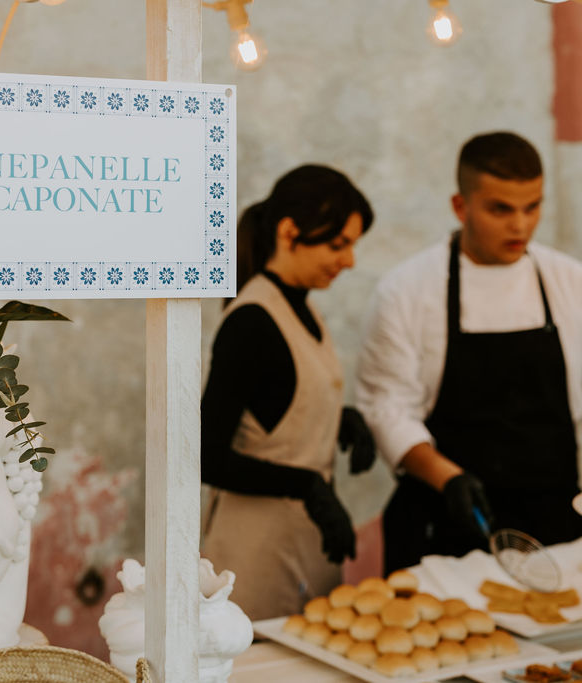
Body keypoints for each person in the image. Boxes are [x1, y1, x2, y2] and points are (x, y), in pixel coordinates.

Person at [356, 131, 582, 573]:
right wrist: (448, 477)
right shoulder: (406, 291)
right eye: (501, 209)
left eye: (532, 207)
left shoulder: (569, 283)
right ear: (461, 207)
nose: (520, 226)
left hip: (554, 524)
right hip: (445, 521)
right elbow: (386, 408)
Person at [201, 164, 377, 621]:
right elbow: (206, 456)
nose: (350, 260)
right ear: (289, 231)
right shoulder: (251, 323)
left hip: (306, 540)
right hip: (252, 554)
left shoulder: (304, 311)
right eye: (338, 245)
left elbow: (278, 408)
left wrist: (342, 420)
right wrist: (307, 486)